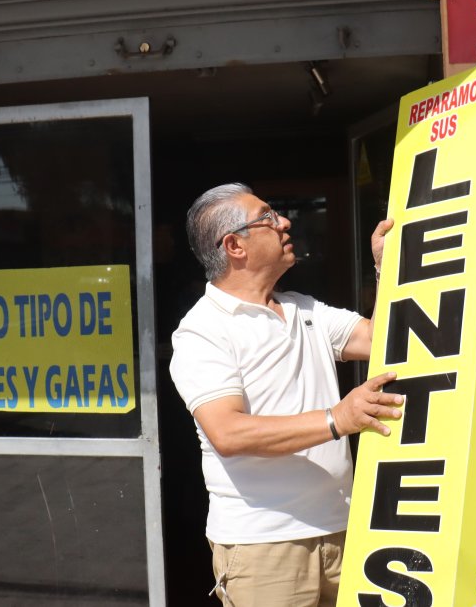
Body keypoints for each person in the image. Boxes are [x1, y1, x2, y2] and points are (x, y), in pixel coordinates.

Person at [169, 183, 405, 607]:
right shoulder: (201, 331)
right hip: (264, 549)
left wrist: (386, 270)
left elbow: (382, 341)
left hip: (343, 531)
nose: (284, 222)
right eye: (267, 217)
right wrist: (337, 419)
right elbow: (228, 432)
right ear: (234, 245)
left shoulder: (304, 309)